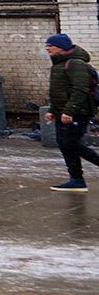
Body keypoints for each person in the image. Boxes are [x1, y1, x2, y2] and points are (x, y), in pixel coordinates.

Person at [43, 33, 99, 192]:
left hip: (77, 112)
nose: (47, 48)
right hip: (64, 112)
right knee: (64, 144)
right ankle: (76, 179)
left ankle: (77, 178)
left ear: (61, 47)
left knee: (71, 143)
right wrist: (53, 110)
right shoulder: (59, 64)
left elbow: (80, 89)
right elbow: (59, 91)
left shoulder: (75, 63)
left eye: (50, 45)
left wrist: (69, 111)